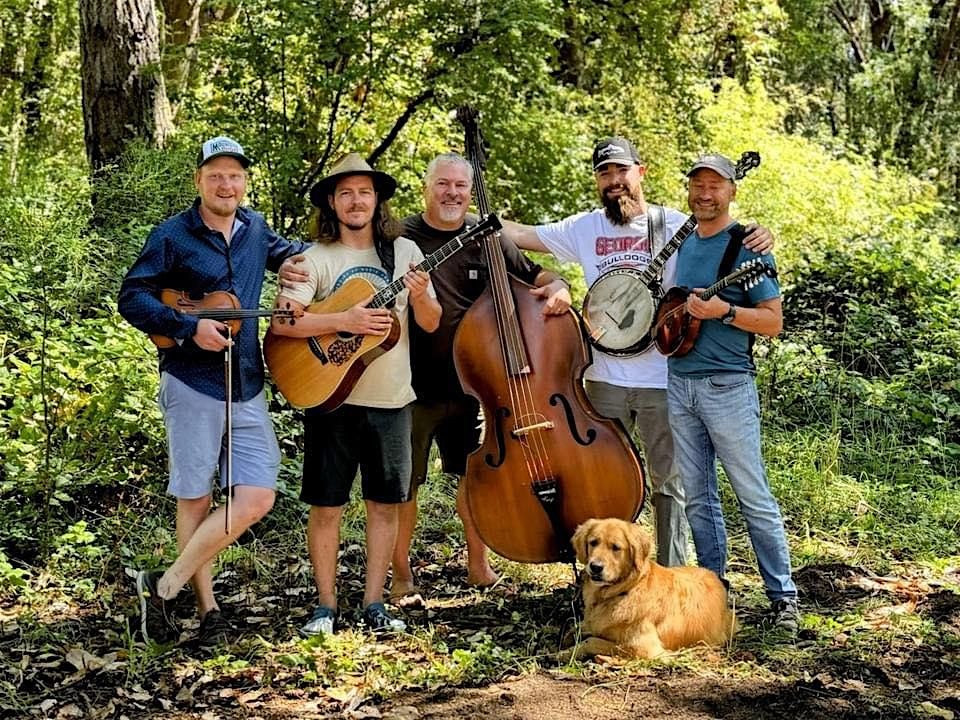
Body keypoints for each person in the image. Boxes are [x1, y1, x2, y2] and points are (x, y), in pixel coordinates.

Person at [501, 136, 773, 568]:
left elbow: (721, 230)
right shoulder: (585, 227)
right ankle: (606, 574)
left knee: (670, 484)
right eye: (604, 173)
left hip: (663, 378)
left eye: (622, 171)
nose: (615, 180)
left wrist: (758, 234)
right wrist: (464, 213)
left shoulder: (675, 224)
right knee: (601, 480)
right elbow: (519, 235)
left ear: (640, 173)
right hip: (602, 378)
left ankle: (671, 573)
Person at [118, 135, 309, 645]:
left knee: (257, 495)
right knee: (196, 497)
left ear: (245, 181)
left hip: (246, 380)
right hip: (192, 381)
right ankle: (208, 612)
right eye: (216, 175)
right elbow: (132, 297)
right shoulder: (172, 234)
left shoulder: (255, 227)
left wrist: (325, 257)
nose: (226, 185)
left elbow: (294, 256)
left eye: (235, 176)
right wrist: (187, 328)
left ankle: (163, 584)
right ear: (199, 180)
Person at [269, 152, 442, 636]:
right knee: (327, 506)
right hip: (331, 398)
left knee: (384, 505)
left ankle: (374, 603)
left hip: (392, 401)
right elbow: (284, 324)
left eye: (364, 192)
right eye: (345, 192)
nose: (356, 200)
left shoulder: (405, 251)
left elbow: (430, 322)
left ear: (377, 199)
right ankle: (325, 606)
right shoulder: (314, 259)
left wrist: (421, 294)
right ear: (332, 202)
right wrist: (344, 320)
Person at [390, 153, 572, 603]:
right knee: (404, 485)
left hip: (475, 386)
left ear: (470, 192)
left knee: (473, 479)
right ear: (426, 187)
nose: (452, 193)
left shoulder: (486, 235)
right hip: (411, 385)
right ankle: (401, 574)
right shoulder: (400, 235)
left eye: (460, 186)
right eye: (443, 184)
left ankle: (479, 566)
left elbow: (535, 274)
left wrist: (559, 285)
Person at [666, 153, 799, 630]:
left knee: (751, 495)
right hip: (679, 383)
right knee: (698, 498)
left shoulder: (750, 247)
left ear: (732, 191)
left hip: (727, 387)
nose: (705, 194)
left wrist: (724, 311)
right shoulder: (681, 240)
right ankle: (713, 593)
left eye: (715, 186)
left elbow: (773, 322)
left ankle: (783, 599)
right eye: (698, 185)